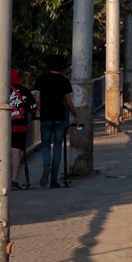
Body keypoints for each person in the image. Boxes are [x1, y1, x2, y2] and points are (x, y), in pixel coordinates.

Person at [33, 54, 79, 188]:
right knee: (58, 147)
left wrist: (41, 111)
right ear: (62, 67)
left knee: (46, 145)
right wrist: (75, 115)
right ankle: (53, 180)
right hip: (60, 117)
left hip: (46, 117)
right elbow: (69, 102)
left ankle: (46, 164)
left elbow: (37, 99)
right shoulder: (64, 81)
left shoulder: (41, 79)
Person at [8, 69, 37, 189]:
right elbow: (33, 109)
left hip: (2, 128)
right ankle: (14, 181)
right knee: (16, 154)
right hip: (20, 127)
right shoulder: (24, 91)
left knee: (2, 153)